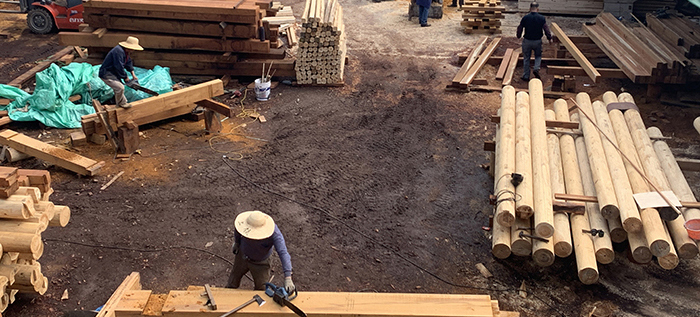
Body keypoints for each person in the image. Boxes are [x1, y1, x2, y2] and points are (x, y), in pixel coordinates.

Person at [226, 211, 296, 293]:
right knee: (233, 281)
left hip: (261, 264)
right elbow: (238, 229)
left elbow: (283, 253)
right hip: (242, 257)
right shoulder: (244, 223)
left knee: (261, 290)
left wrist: (288, 277)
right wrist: (237, 242)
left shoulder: (274, 233)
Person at [99, 36, 143, 109]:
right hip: (106, 73)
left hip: (114, 73)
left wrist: (133, 74)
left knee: (119, 88)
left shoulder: (125, 52)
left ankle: (122, 102)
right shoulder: (118, 51)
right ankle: (120, 104)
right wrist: (125, 77)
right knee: (120, 87)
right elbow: (118, 66)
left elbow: (128, 63)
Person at [516, 2, 551, 81]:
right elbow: (546, 28)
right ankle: (536, 68)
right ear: (537, 9)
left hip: (527, 41)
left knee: (526, 58)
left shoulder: (526, 18)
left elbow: (520, 27)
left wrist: (518, 35)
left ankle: (526, 75)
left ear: (530, 8)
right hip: (537, 41)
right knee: (538, 56)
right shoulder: (541, 18)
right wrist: (549, 38)